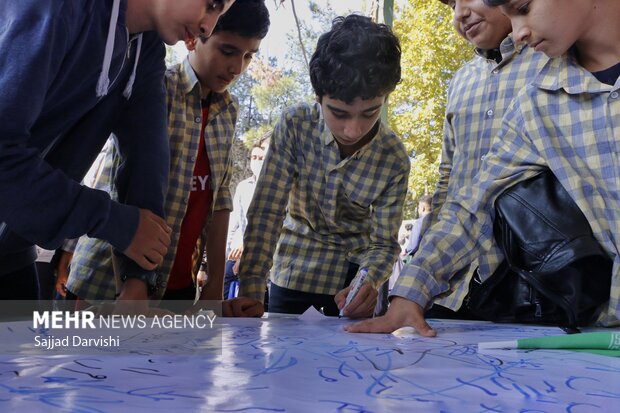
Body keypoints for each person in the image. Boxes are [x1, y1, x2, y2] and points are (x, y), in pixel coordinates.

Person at [347, 0, 620, 334]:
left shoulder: (538, 65)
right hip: (597, 331)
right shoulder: (538, 101)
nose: (519, 32)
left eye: (523, 7)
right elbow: (472, 202)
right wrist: (412, 290)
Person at [0, 0, 235, 305]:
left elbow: (147, 160)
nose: (208, 27)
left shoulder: (145, 51)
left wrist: (138, 275)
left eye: (220, 13)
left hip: (12, 250)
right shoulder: (54, 9)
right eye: (212, 3)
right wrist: (112, 220)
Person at [65, 0, 270, 313]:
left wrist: (215, 283)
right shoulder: (155, 88)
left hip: (177, 284)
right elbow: (124, 188)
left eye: (247, 56)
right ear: (196, 36)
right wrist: (131, 286)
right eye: (227, 51)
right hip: (108, 283)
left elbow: (220, 201)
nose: (237, 67)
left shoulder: (228, 110)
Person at [231, 15, 409, 318]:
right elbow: (266, 213)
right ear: (318, 97)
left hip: (351, 288)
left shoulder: (394, 158)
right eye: (338, 113)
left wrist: (368, 281)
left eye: (369, 113)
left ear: (386, 98)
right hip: (292, 275)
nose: (353, 130)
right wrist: (251, 288)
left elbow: (383, 244)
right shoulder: (295, 124)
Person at [224, 132, 272, 299]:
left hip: (264, 259)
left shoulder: (278, 188)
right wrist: (228, 251)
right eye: (254, 157)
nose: (257, 161)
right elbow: (234, 222)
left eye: (261, 157)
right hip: (235, 253)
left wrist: (246, 247)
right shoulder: (244, 186)